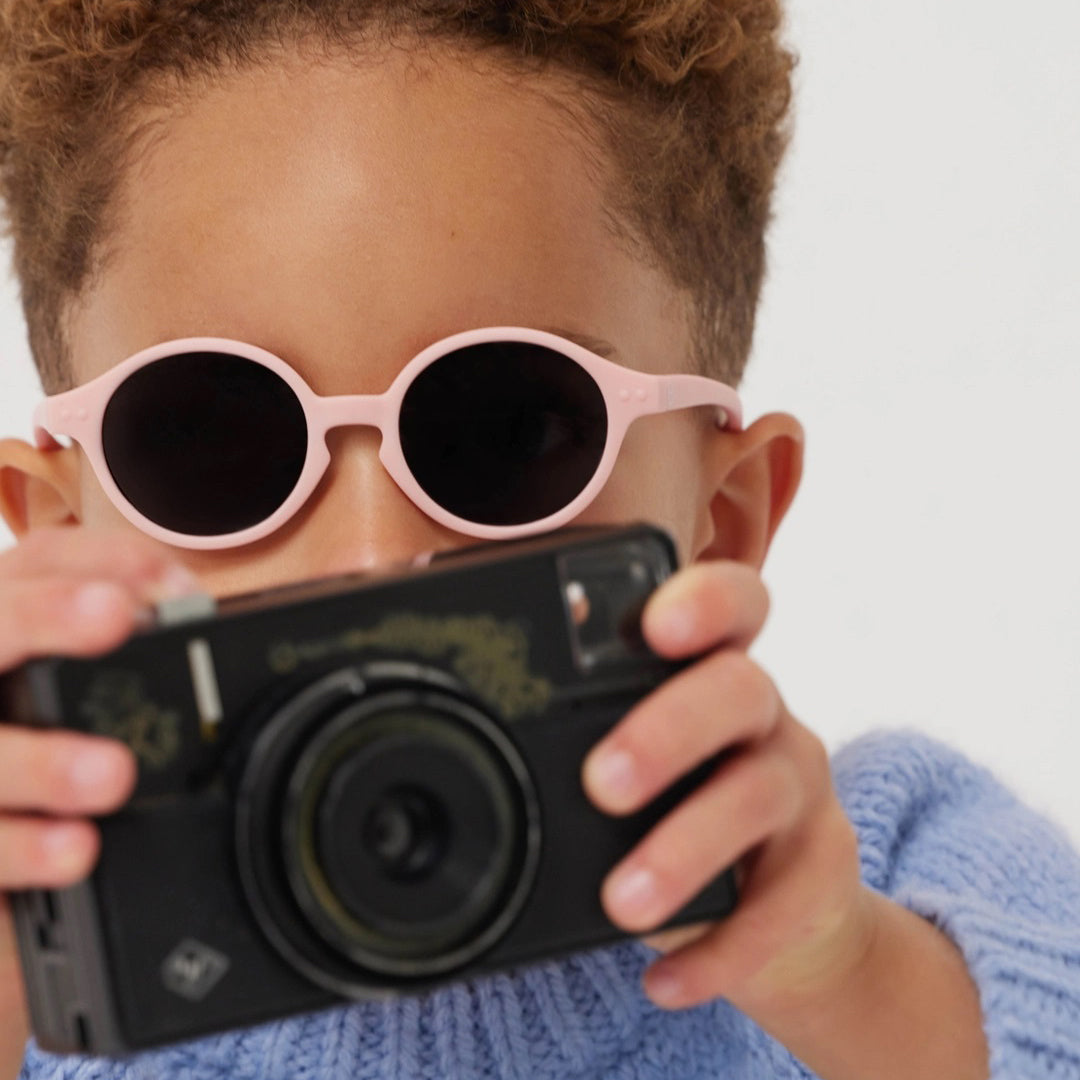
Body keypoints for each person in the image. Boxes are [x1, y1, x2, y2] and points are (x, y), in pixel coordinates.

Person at [0, 2, 1077, 1078]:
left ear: (726, 518)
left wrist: (853, 986)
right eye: (212, 442)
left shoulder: (901, 886)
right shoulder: (42, 974)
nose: (374, 557)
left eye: (513, 431)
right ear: (54, 525)